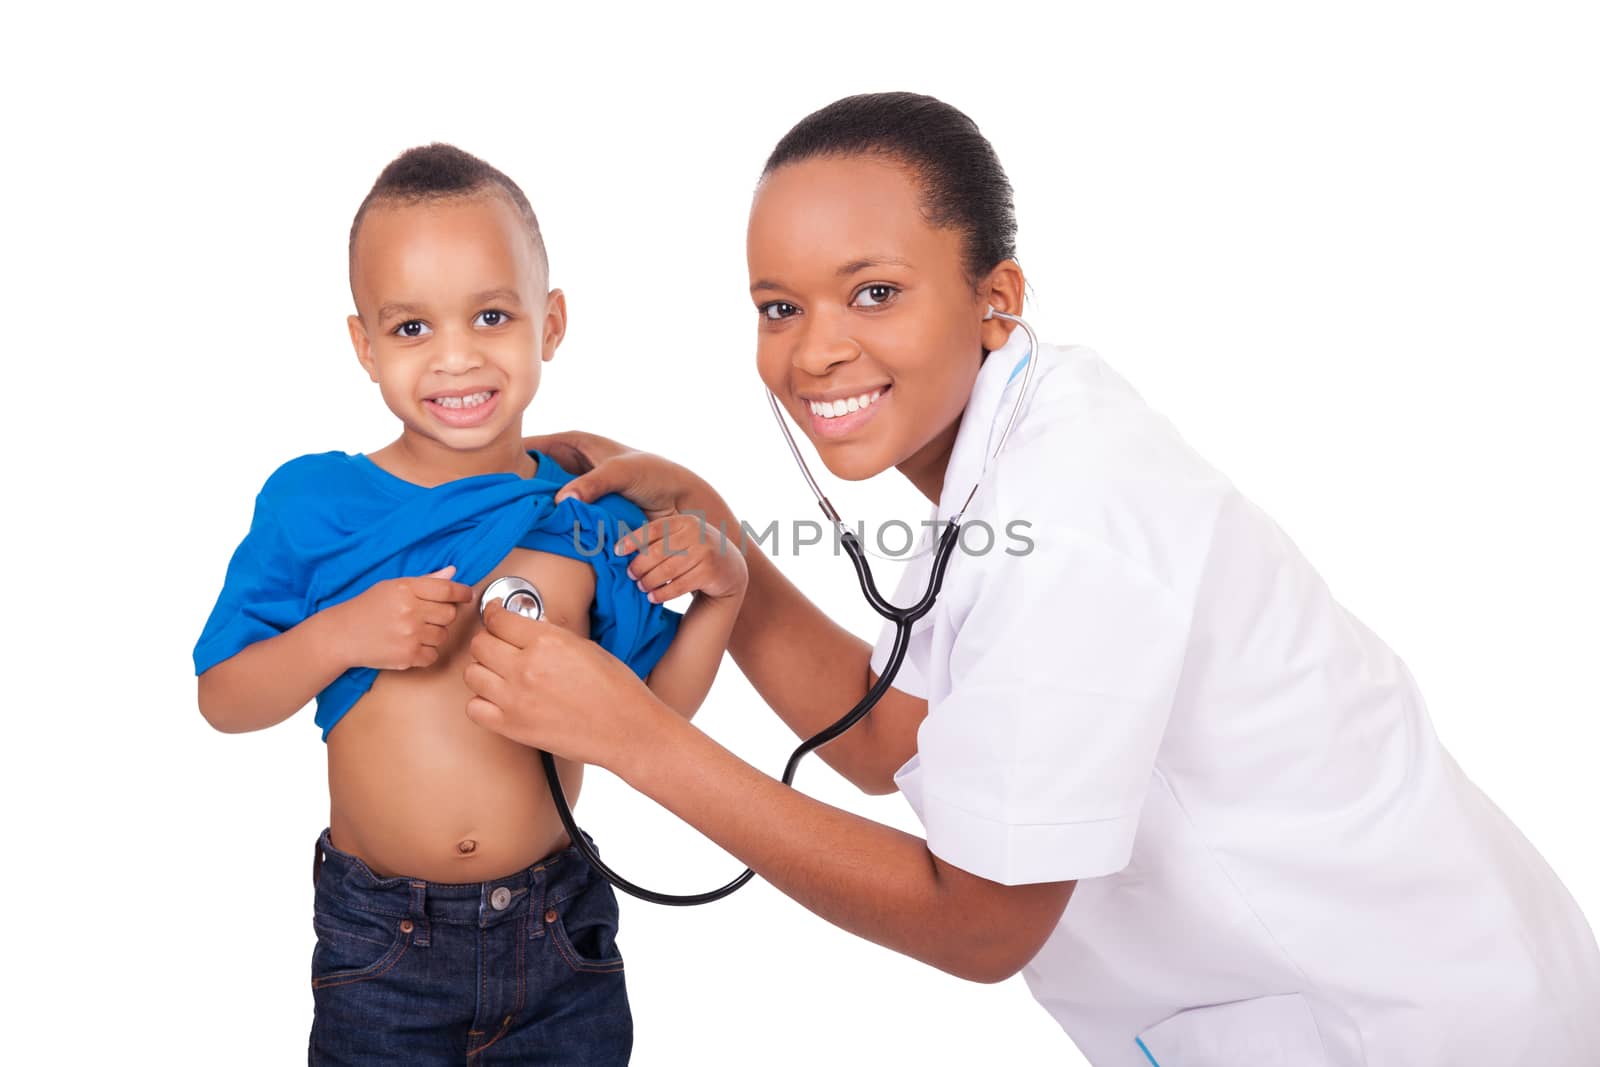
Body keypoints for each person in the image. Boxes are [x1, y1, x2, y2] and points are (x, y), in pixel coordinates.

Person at [459, 94, 1600, 1065]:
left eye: (874, 292)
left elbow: (981, 923)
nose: (814, 351)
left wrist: (637, 741)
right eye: (778, 306)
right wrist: (725, 541)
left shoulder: (1072, 511)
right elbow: (890, 741)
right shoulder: (1012, 451)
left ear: (994, 294)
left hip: (1414, 1029)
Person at [192, 143, 747, 1063]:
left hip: (558, 933)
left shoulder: (585, 516)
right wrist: (340, 634)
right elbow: (223, 697)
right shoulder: (315, 505)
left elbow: (656, 722)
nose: (455, 358)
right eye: (411, 329)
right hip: (383, 944)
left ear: (551, 322)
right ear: (364, 343)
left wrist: (723, 597)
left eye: (491, 315)